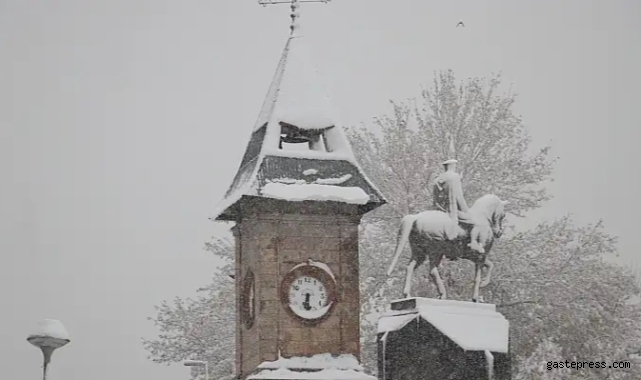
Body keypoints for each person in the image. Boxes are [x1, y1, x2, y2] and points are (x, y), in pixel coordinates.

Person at [433, 159, 485, 253]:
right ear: (452, 166)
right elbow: (459, 197)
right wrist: (466, 210)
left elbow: (435, 199)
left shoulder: (437, 179)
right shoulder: (454, 177)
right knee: (476, 223)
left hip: (439, 210)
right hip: (451, 211)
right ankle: (473, 243)